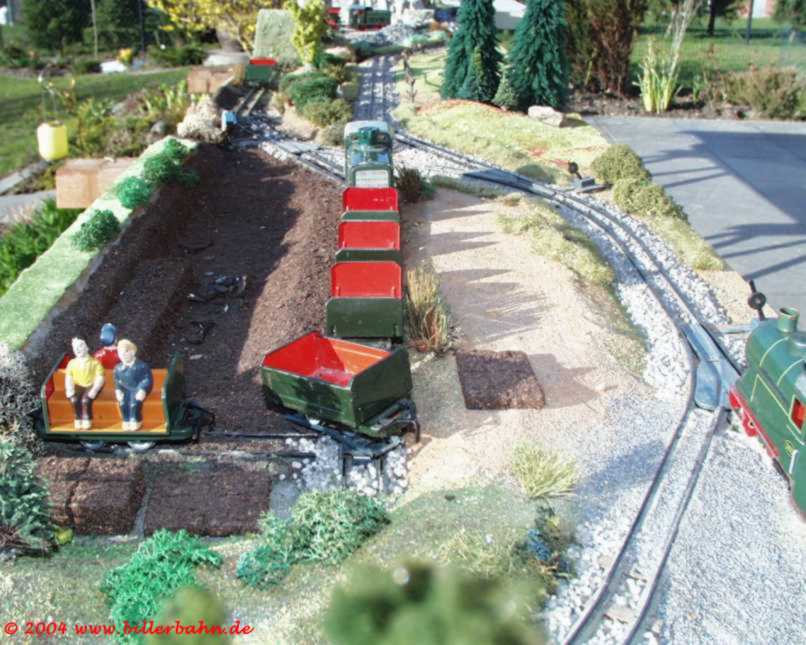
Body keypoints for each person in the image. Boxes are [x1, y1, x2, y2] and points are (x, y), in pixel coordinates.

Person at [64, 338, 105, 430]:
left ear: (87, 348)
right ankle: (78, 418)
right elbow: (68, 377)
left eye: (80, 346)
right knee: (74, 400)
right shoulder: (72, 363)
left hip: (91, 385)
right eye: (75, 348)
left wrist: (95, 389)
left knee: (85, 400)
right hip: (78, 385)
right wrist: (69, 389)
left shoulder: (94, 362)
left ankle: (87, 419)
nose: (78, 349)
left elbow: (100, 377)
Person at [113, 339, 153, 431]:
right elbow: (117, 380)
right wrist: (118, 390)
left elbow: (147, 379)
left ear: (133, 352)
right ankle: (126, 420)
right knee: (122, 403)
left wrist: (142, 389)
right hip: (126, 390)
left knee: (134, 404)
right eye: (120, 353)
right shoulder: (118, 368)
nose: (123, 355)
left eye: (126, 352)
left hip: (137, 389)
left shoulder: (142, 366)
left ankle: (136, 420)